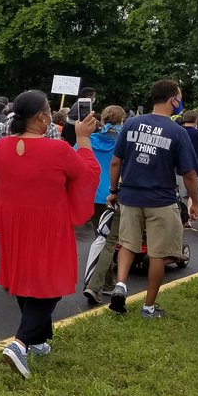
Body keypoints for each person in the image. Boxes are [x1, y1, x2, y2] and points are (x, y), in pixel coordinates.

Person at [0, 91, 99, 378]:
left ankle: (37, 340)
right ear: (41, 116)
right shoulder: (58, 149)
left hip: (14, 219)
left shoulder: (1, 147)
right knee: (51, 282)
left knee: (24, 275)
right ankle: (20, 342)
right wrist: (84, 138)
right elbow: (86, 173)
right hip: (47, 221)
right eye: (49, 110)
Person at [106, 79, 198, 319]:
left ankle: (121, 285)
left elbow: (116, 161)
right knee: (158, 253)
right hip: (161, 198)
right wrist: (195, 202)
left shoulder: (132, 123)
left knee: (127, 243)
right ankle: (148, 307)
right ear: (173, 100)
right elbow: (188, 173)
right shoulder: (177, 132)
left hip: (130, 195)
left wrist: (114, 189)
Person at [82, 105, 125, 305]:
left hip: (90, 195)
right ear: (121, 121)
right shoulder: (122, 143)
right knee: (108, 241)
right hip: (113, 195)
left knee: (100, 238)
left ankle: (107, 283)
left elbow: (76, 159)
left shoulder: (89, 140)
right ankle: (94, 285)